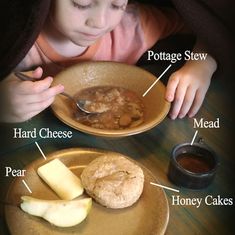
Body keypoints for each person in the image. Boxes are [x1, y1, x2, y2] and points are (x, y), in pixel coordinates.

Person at [0, 0, 217, 123]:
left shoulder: (134, 25)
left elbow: (212, 29)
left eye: (116, 4)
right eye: (82, 3)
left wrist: (201, 64)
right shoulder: (17, 38)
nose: (100, 22)